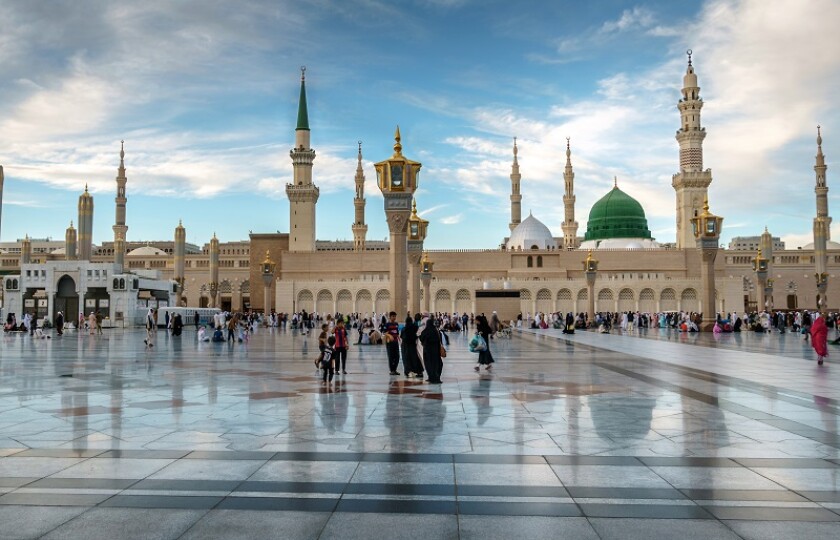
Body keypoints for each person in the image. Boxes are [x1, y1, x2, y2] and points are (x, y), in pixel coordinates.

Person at [419, 316, 444, 384]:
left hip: (427, 351)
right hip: (435, 351)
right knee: (436, 364)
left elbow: (421, 338)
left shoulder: (425, 331)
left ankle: (431, 377)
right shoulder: (436, 331)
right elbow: (440, 340)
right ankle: (436, 377)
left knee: (429, 364)